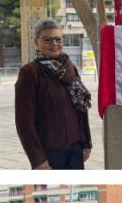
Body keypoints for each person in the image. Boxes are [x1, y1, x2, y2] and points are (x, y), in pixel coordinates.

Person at [15, 18, 92, 169]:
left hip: (76, 150)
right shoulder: (30, 73)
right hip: (50, 153)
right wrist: (38, 159)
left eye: (58, 39)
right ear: (36, 42)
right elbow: (24, 121)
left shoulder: (70, 68)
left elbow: (81, 109)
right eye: (48, 40)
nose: (54, 43)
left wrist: (85, 143)